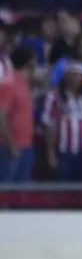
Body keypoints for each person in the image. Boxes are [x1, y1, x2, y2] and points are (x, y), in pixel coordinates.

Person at [41, 62, 82, 182]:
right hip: (64, 151)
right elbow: (48, 125)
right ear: (66, 77)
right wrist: (51, 153)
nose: (75, 79)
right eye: (72, 75)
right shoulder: (55, 97)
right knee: (63, 186)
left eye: (79, 75)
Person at [0, 46, 36, 184]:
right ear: (29, 61)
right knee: (6, 188)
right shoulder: (9, 84)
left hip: (26, 144)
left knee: (22, 190)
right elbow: (1, 116)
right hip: (10, 146)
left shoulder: (24, 83)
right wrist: (11, 144)